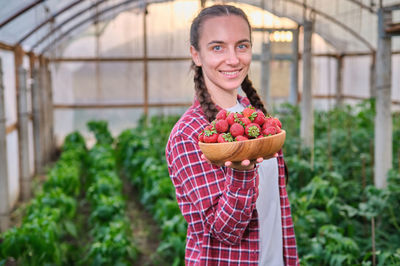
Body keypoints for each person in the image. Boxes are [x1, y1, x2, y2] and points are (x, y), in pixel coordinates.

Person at [165, 4, 299, 265]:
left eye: (242, 45)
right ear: (196, 54)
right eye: (217, 47)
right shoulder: (189, 134)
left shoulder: (253, 117)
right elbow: (225, 231)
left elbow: (275, 205)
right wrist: (241, 170)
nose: (234, 59)